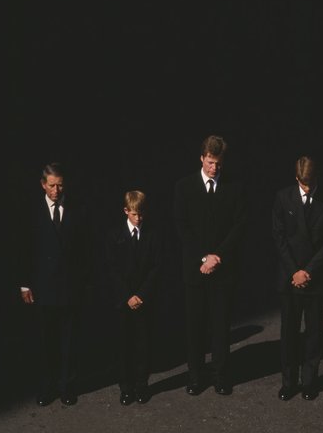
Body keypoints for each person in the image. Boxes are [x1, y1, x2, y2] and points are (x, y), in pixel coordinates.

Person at [173, 135, 247, 396]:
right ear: (202, 158)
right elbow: (183, 228)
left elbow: (239, 226)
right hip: (195, 269)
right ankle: (195, 376)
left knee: (220, 327)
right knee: (195, 327)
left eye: (218, 163)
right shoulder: (184, 188)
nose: (214, 168)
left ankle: (220, 376)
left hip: (222, 269)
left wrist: (217, 257)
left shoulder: (233, 188)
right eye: (210, 162)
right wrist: (203, 258)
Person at [20, 162, 92, 407]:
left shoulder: (77, 209)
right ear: (43, 185)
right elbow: (24, 248)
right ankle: (46, 387)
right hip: (43, 288)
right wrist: (25, 284)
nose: (56, 190)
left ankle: (67, 387)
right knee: (45, 341)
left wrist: (84, 282)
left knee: (69, 341)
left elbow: (85, 249)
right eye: (52, 185)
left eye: (60, 184)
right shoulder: (33, 210)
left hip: (70, 286)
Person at [271, 156, 323, 401]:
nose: (308, 188)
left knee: (314, 333)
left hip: (314, 278)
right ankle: (288, 382)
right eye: (303, 183)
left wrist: (308, 271)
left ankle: (310, 381)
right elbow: (278, 237)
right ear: (296, 179)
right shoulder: (283, 198)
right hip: (290, 279)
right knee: (289, 333)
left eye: (311, 183)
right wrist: (294, 271)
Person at [104, 191, 162, 406]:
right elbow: (112, 270)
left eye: (142, 214)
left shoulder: (152, 235)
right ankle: (125, 387)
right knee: (124, 346)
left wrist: (141, 294)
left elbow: (156, 267)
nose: (139, 219)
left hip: (143, 299)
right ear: (126, 211)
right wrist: (127, 296)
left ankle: (141, 386)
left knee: (143, 345)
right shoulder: (114, 235)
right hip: (123, 300)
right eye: (135, 214)